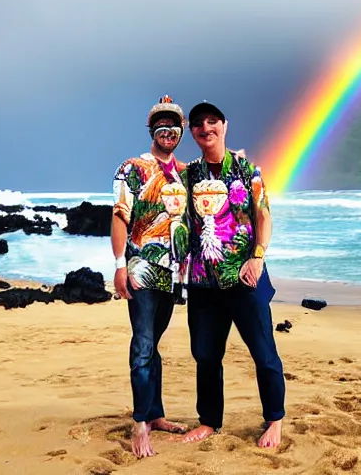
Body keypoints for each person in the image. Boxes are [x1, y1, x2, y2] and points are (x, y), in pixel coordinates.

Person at [180, 101, 286, 448]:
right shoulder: (189, 174)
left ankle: (274, 420)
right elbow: (162, 192)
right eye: (198, 123)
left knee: (263, 352)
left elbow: (264, 216)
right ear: (192, 132)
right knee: (206, 355)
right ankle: (209, 420)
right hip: (202, 283)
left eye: (212, 121)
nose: (205, 128)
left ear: (224, 126)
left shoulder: (247, 169)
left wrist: (257, 257)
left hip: (245, 279)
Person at [111, 95, 190, 458]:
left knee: (154, 344)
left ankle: (156, 414)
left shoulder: (186, 173)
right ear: (151, 130)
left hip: (172, 274)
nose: (167, 128)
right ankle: (140, 423)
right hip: (142, 269)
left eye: (173, 123)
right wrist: (118, 265)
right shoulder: (133, 168)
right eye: (160, 122)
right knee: (143, 345)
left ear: (181, 131)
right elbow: (120, 216)